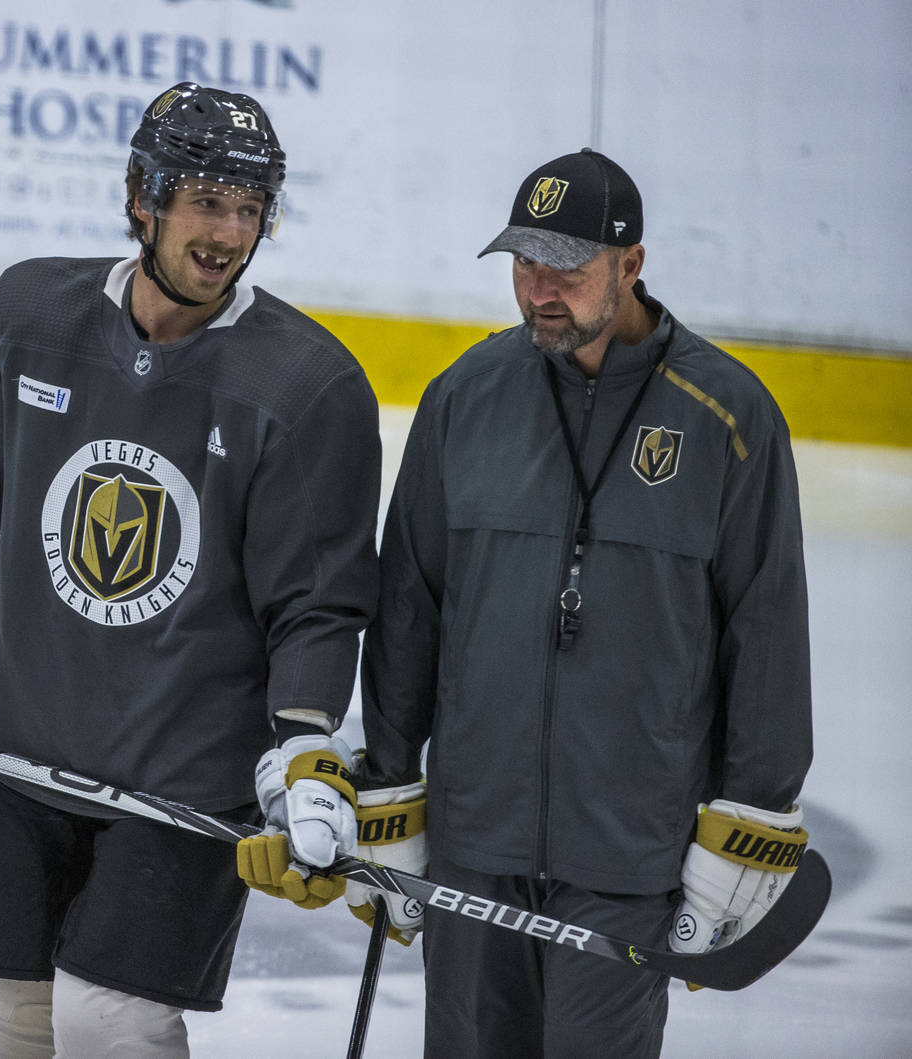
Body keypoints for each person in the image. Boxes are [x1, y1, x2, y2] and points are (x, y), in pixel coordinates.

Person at [0, 81, 381, 1058]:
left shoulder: (308, 385)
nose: (227, 232)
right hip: (26, 753)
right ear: (140, 196)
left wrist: (307, 747)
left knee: (114, 1025)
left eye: (248, 208)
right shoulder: (35, 313)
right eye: (204, 200)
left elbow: (315, 605)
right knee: (13, 1021)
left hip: (183, 783)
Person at [347, 148, 814, 1056]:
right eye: (524, 265)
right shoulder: (464, 400)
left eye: (566, 267)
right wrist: (392, 790)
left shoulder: (727, 418)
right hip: (475, 845)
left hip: (629, 858)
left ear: (631, 264)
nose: (538, 292)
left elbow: (767, 634)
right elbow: (410, 607)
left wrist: (747, 821)